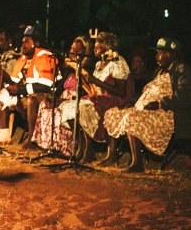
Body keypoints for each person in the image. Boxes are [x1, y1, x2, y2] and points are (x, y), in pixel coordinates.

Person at [100, 37, 191, 172]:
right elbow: (147, 92)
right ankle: (112, 154)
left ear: (171, 54)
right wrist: (131, 102)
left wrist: (160, 103)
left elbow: (184, 97)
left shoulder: (181, 70)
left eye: (160, 52)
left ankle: (137, 163)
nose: (157, 56)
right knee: (112, 113)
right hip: (146, 109)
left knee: (132, 118)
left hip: (164, 114)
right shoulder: (158, 71)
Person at [0, 25, 57, 148]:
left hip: (46, 94)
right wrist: (0, 72)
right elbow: (14, 81)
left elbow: (46, 85)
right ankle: (4, 134)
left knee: (32, 100)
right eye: (22, 41)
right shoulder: (23, 58)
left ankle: (32, 140)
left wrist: (20, 90)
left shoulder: (45, 56)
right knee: (3, 94)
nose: (23, 45)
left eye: (27, 41)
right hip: (27, 92)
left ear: (36, 43)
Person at [76, 32, 134, 162]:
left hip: (117, 100)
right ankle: (85, 148)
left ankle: (94, 150)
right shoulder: (99, 64)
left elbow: (120, 91)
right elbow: (98, 87)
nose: (94, 49)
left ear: (108, 48)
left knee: (84, 107)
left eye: (98, 46)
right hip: (102, 97)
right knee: (77, 105)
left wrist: (96, 81)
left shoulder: (118, 62)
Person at [32, 36, 94, 156]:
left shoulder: (87, 70)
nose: (73, 52)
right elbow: (60, 88)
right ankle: (50, 145)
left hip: (76, 100)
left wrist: (63, 100)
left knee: (61, 110)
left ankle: (66, 148)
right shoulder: (68, 69)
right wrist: (53, 98)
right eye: (72, 48)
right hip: (63, 98)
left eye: (78, 50)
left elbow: (88, 91)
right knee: (45, 104)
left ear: (85, 52)